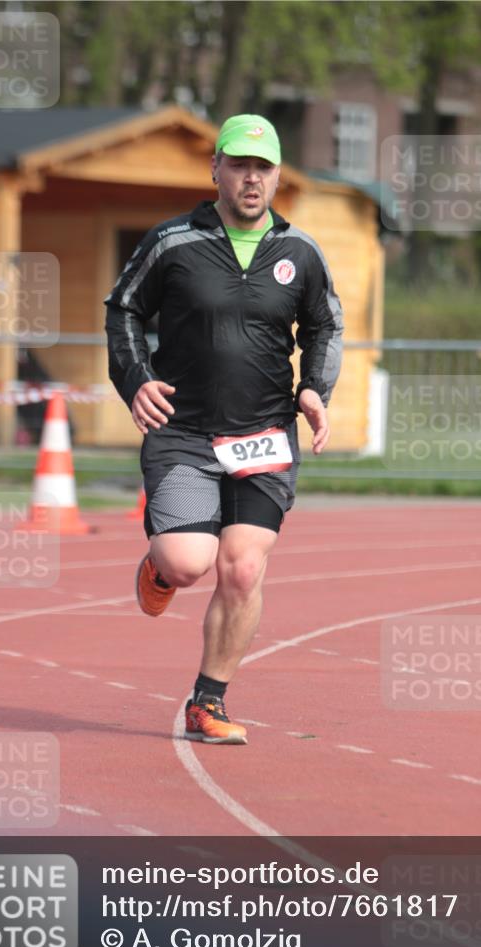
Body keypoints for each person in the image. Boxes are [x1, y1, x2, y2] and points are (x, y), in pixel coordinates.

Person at [105, 114, 343, 745]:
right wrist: (135, 379)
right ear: (215, 169)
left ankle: (206, 702)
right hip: (183, 431)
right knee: (189, 563)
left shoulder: (301, 253)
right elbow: (124, 309)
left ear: (277, 176)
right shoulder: (173, 242)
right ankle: (161, 569)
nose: (251, 177)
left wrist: (315, 389)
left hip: (264, 434)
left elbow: (325, 328)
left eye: (263, 167)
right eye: (239, 164)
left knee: (241, 570)